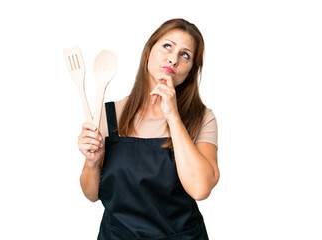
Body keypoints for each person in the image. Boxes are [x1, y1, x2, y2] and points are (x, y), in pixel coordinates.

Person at [78, 18, 219, 240]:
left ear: (190, 71)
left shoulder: (202, 118)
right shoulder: (109, 114)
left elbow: (201, 189)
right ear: (148, 52)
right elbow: (91, 194)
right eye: (167, 46)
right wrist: (94, 163)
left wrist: (173, 116)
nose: (173, 59)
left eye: (185, 55)